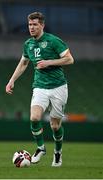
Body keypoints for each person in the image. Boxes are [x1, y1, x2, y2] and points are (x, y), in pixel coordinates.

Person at [6, 12, 74, 167]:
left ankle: (57, 153)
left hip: (58, 87)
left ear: (42, 25)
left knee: (55, 126)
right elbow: (23, 63)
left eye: (35, 24)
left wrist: (49, 62)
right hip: (39, 86)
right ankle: (41, 148)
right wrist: (11, 80)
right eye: (30, 24)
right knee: (34, 118)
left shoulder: (53, 41)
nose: (32, 27)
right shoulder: (28, 44)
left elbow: (70, 59)